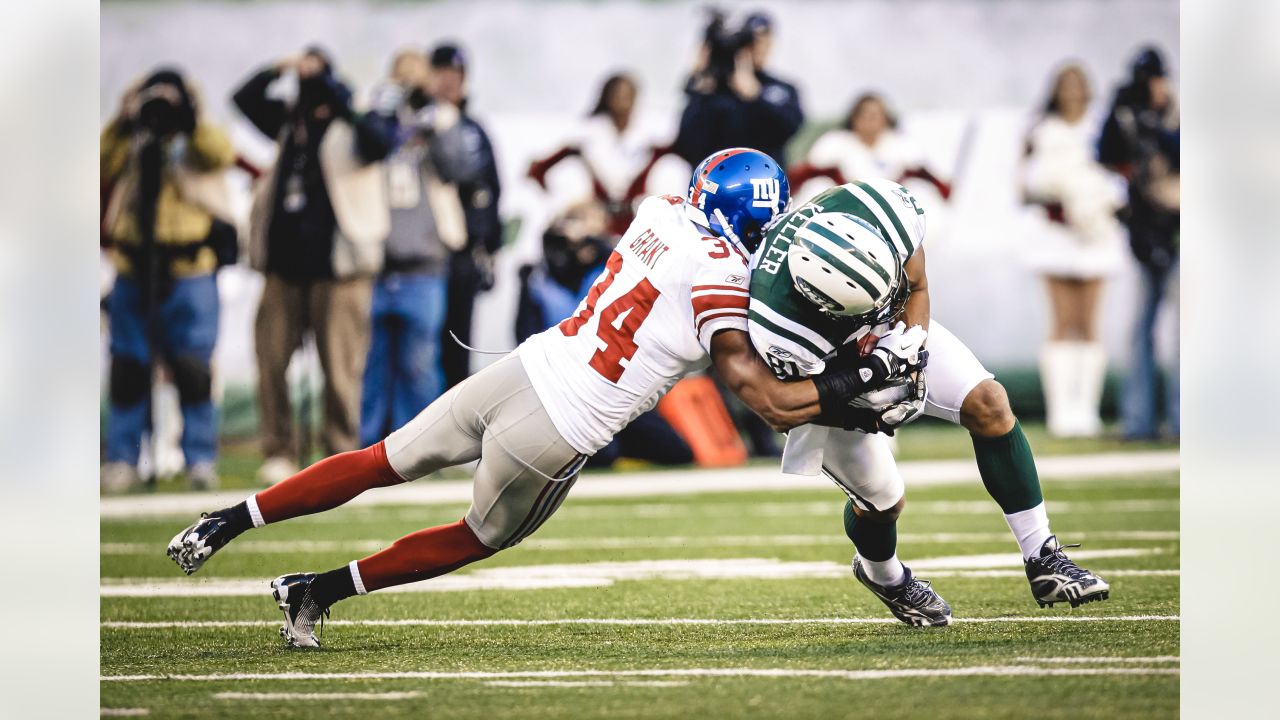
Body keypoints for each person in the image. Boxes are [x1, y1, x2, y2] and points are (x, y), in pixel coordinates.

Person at [167, 148, 908, 648]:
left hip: (519, 368)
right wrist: (851, 382)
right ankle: (315, 591)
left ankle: (228, 521)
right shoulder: (726, 282)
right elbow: (765, 399)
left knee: (380, 459)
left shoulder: (656, 211)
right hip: (557, 428)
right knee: (478, 536)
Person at [748, 180, 1110, 626]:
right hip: (829, 371)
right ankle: (885, 576)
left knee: (990, 404)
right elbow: (787, 406)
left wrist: (912, 351)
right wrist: (866, 389)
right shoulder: (778, 327)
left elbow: (916, 287)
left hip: (893, 330)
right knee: (883, 502)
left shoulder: (880, 211)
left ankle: (1043, 558)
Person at [233, 47, 397, 485]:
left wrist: (338, 90)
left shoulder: (354, 121)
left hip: (341, 268)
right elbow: (244, 99)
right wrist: (280, 65)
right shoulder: (292, 123)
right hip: (283, 266)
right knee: (271, 360)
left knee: (341, 367)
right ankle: (279, 449)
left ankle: (341, 453)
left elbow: (382, 141)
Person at [100, 68, 238, 492]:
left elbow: (219, 154)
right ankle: (122, 458)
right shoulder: (132, 136)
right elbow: (102, 162)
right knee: (128, 367)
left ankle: (199, 459)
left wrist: (188, 117)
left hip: (190, 269)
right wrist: (126, 119)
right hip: (133, 268)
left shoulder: (197, 134)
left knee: (193, 368)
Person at [515, 199, 694, 468]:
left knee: (676, 451)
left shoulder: (614, 265)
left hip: (614, 384)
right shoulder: (539, 277)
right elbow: (524, 332)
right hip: (563, 382)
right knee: (600, 455)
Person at [359, 50, 471, 447]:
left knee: (420, 364)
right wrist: (388, 103)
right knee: (369, 367)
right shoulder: (375, 116)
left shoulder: (442, 118)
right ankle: (364, 447)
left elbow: (458, 168)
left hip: (424, 262)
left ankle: (422, 447)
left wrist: (431, 113)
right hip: (374, 261)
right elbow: (364, 148)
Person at [1021, 64, 1126, 437]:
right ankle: (1061, 412)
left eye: (1078, 85)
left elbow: (1120, 174)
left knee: (1089, 322)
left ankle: (1087, 410)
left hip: (1095, 235)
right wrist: (1061, 198)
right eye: (1065, 85)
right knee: (1062, 322)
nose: (1072, 92)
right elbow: (1025, 183)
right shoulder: (1041, 128)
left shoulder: (1103, 127)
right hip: (1055, 233)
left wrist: (1095, 205)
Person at [1098, 46, 1180, 440]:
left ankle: (1181, 420)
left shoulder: (1174, 114)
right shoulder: (1124, 114)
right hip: (1146, 231)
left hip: (1178, 226)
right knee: (1142, 326)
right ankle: (1140, 420)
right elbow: (1107, 157)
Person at [427, 43, 504, 390]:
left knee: (457, 346)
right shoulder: (415, 126)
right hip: (426, 255)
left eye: (455, 75)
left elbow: (492, 193)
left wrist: (489, 249)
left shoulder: (474, 129)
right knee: (422, 351)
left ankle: (454, 435)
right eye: (441, 73)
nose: (449, 82)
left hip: (463, 256)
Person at [527, 73, 673, 236]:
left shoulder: (651, 140)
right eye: (618, 94)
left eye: (628, 95)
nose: (624, 101)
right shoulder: (585, 137)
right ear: (607, 97)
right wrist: (568, 205)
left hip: (638, 227)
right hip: (593, 228)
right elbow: (537, 170)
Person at [674, 11, 803, 168]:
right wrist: (700, 81)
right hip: (714, 183)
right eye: (753, 43)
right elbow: (686, 144)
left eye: (764, 41)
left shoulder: (780, 89)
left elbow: (789, 128)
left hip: (762, 179)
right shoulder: (713, 90)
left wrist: (755, 95)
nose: (759, 48)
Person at [803, 92, 951, 200]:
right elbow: (804, 175)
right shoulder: (834, 142)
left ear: (886, 118)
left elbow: (934, 181)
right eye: (864, 115)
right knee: (817, 186)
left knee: (921, 191)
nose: (869, 121)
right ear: (853, 118)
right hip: (841, 207)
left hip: (892, 209)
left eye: (875, 115)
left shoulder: (902, 145)